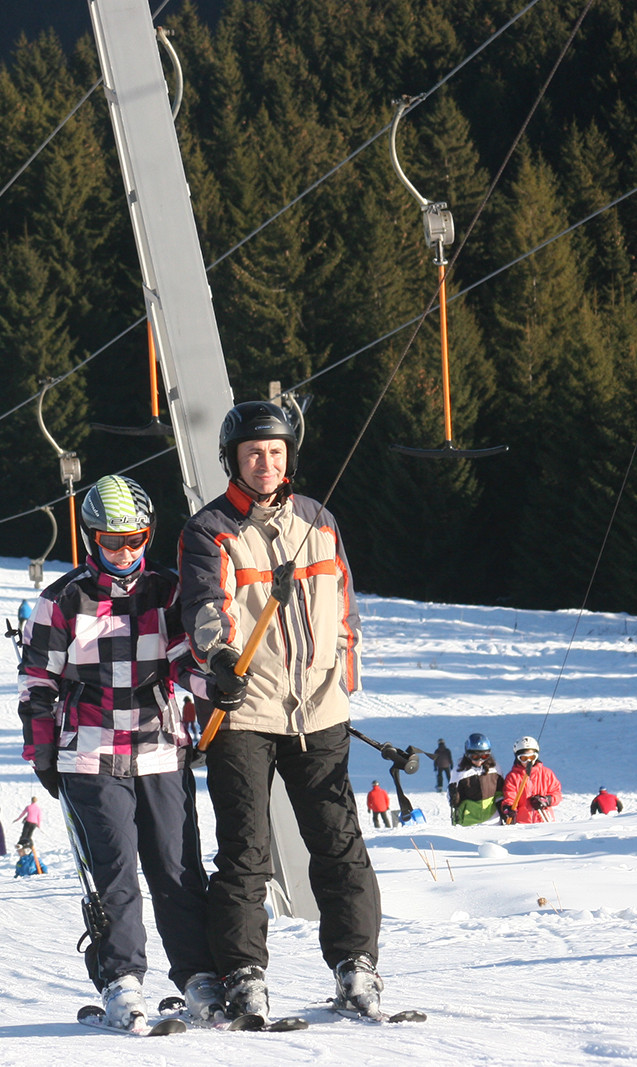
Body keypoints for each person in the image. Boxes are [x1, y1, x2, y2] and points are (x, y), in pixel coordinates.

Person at [177, 402, 382, 1021]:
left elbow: (344, 605)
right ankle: (244, 974)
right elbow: (205, 608)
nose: (265, 463)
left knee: (339, 843)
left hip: (319, 711)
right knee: (247, 851)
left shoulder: (319, 521)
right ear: (233, 461)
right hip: (246, 713)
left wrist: (342, 679)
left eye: (275, 452)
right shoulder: (210, 530)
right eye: (252, 454)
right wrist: (218, 658)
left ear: (289, 456)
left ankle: (356, 965)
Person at [20, 472, 218, 1031]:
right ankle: (121, 981)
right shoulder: (62, 600)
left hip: (160, 749)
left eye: (136, 540)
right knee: (114, 873)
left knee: (177, 869)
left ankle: (198, 976)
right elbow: (37, 681)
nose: (126, 552)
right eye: (113, 542)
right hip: (90, 752)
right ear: (92, 539)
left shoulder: (166, 591)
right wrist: (42, 751)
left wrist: (214, 686)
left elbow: (184, 660)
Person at [501, 736, 562, 825]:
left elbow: (557, 794)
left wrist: (546, 800)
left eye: (532, 757)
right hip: (523, 823)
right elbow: (510, 796)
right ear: (517, 758)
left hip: (544, 821)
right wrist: (509, 808)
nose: (528, 761)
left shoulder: (546, 774)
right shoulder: (513, 776)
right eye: (524, 758)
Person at [448, 733, 503, 826]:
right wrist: (454, 798)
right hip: (469, 822)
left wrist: (503, 809)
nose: (480, 760)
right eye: (475, 757)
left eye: (484, 756)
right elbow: (452, 799)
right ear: (467, 755)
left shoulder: (495, 769)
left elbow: (500, 792)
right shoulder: (459, 772)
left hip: (492, 820)